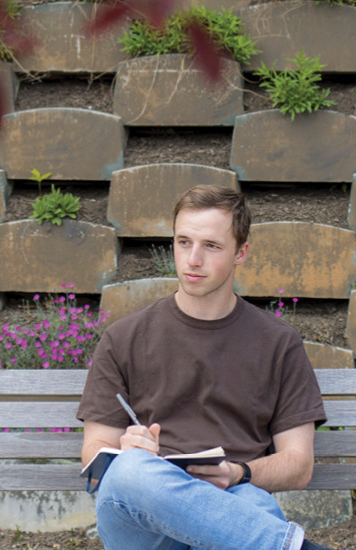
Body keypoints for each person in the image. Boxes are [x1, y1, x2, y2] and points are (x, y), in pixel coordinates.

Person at [75, 185, 336, 550]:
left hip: (232, 506)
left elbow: (298, 463)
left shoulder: (278, 343)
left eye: (210, 246)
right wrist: (126, 448)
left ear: (240, 252)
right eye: (184, 242)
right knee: (130, 471)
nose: (193, 259)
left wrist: (239, 472)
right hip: (142, 523)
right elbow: (94, 450)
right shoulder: (124, 337)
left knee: (253, 501)